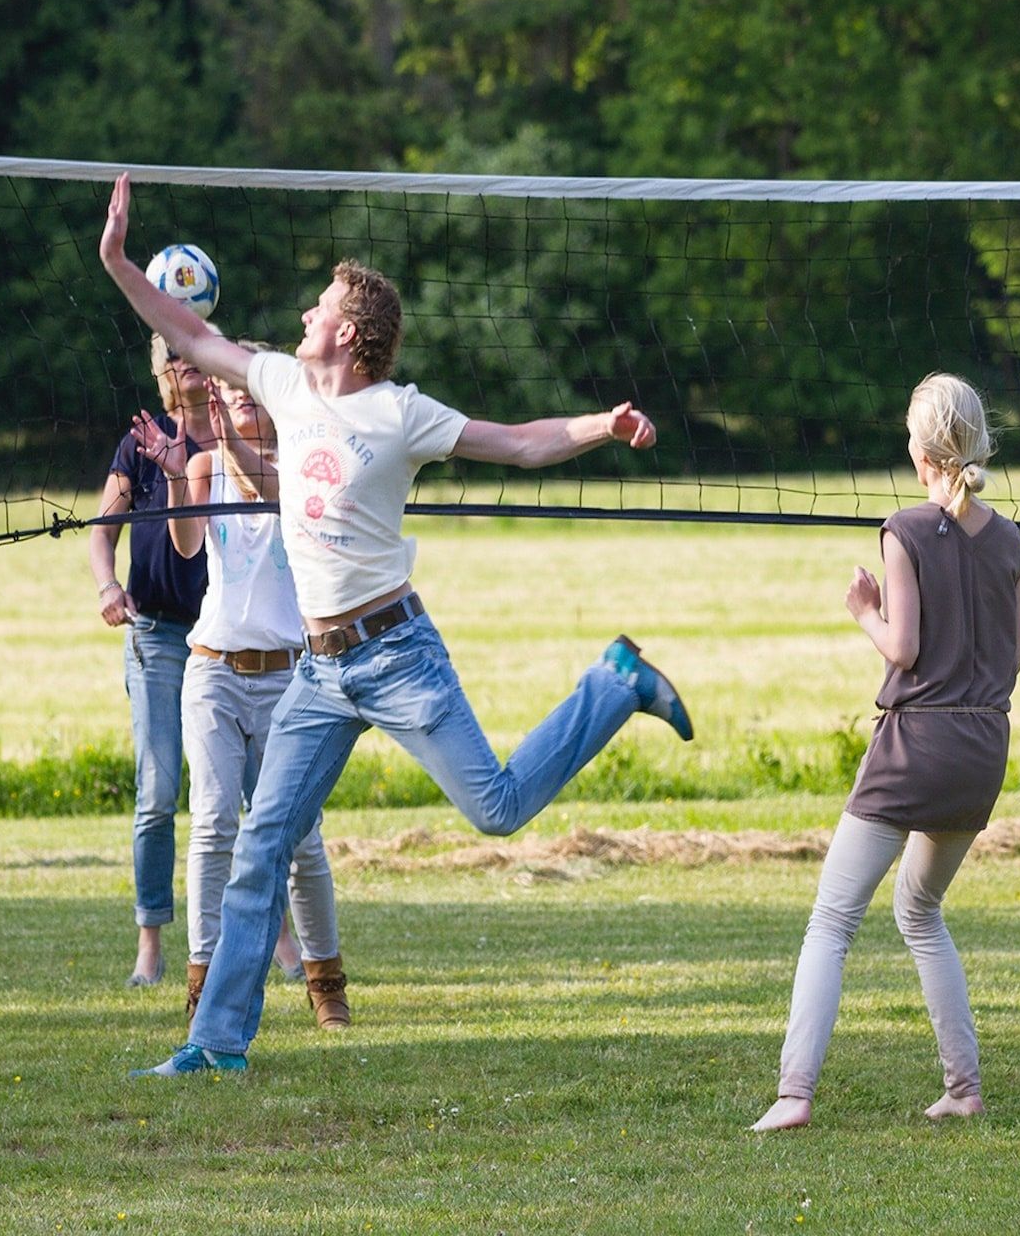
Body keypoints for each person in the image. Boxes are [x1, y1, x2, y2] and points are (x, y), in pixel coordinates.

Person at [95, 172, 694, 1078]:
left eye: (321, 304)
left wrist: (602, 426)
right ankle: (216, 1046)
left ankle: (616, 685)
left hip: (395, 651)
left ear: (349, 330)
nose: (305, 312)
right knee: (260, 845)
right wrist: (116, 262)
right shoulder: (284, 386)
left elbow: (521, 442)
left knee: (493, 809)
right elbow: (188, 333)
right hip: (319, 670)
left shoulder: (399, 412)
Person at [751, 373, 1020, 1133]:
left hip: (919, 742)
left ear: (924, 448)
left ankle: (794, 1094)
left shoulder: (904, 529)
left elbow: (902, 650)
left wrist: (864, 613)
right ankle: (963, 1087)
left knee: (833, 920)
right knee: (920, 908)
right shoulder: (1010, 538)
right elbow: (1015, 656)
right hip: (984, 746)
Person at [130, 344, 349, 1032]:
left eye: (254, 392)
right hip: (214, 670)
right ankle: (200, 986)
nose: (240, 399)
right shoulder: (203, 464)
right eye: (235, 392)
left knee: (301, 837)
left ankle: (326, 985)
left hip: (288, 675)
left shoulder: (307, 469)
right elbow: (190, 546)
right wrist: (174, 477)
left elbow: (271, 492)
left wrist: (227, 441)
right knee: (215, 825)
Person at [89, 335, 210, 986]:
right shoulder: (141, 440)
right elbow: (102, 532)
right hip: (157, 634)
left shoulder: (237, 437)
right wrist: (108, 587)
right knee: (158, 794)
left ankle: (274, 936)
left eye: (196, 350)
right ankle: (150, 944)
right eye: (173, 353)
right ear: (161, 371)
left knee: (241, 796)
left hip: (227, 638)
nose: (185, 363)